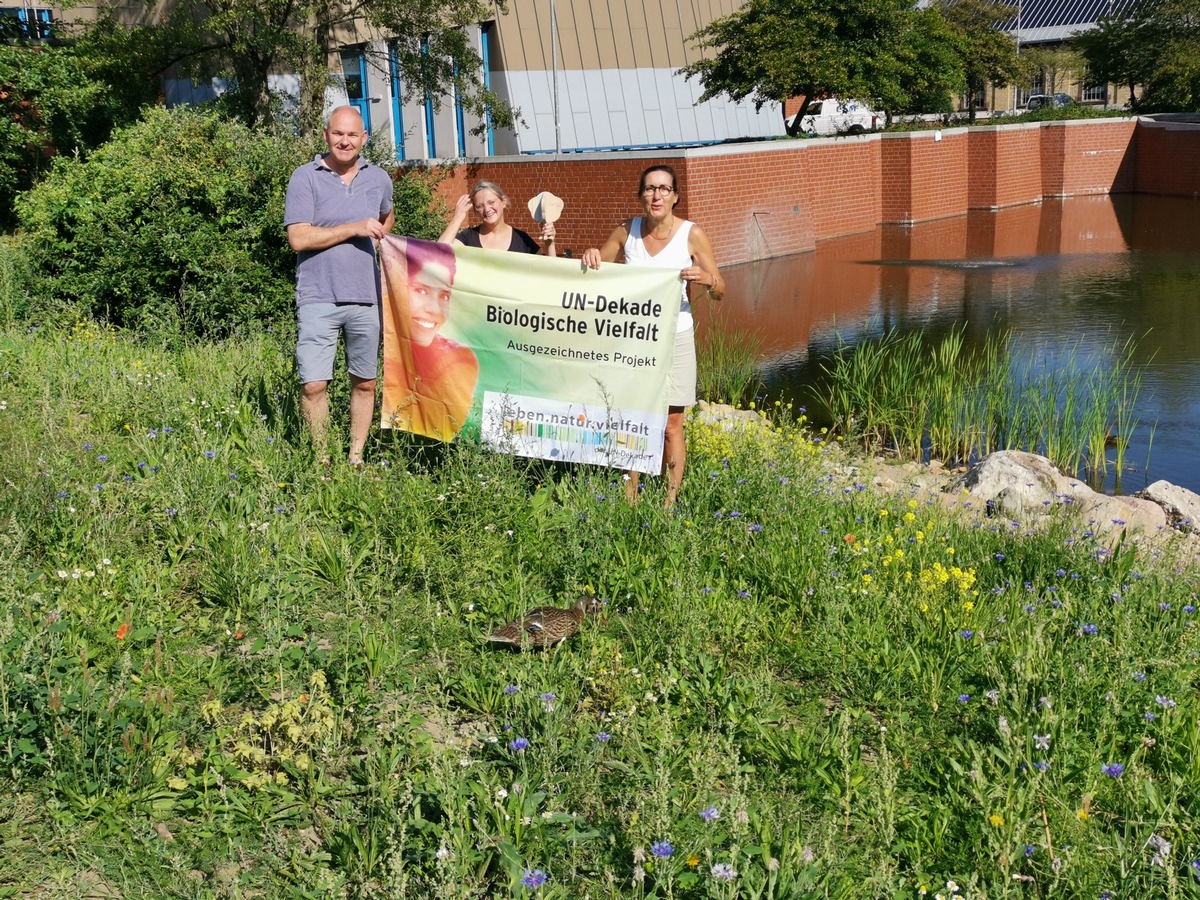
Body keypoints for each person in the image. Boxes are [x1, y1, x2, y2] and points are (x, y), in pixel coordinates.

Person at [582, 164, 724, 507]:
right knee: (633, 418)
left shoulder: (692, 234)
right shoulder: (626, 231)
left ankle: (668, 503)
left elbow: (720, 289)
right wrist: (591, 255)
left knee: (671, 425)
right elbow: (597, 266)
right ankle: (630, 497)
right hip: (634, 338)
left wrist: (705, 279)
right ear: (641, 195)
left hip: (676, 337)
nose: (656, 195)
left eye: (663, 189)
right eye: (649, 189)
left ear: (675, 196)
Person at [284, 105, 395, 467]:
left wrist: (379, 237)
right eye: (338, 133)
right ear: (325, 134)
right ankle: (321, 461)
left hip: (366, 297)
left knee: (365, 382)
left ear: (364, 139)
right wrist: (354, 228)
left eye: (352, 135)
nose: (345, 141)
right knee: (313, 384)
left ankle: (356, 458)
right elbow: (298, 238)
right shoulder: (305, 177)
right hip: (318, 296)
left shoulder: (379, 178)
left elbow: (386, 214)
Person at [380, 238, 480, 442]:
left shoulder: (459, 360)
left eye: (444, 296)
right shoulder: (381, 350)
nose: (434, 309)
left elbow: (443, 432)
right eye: (421, 291)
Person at [438, 180, 556, 255]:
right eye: (480, 206)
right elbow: (438, 253)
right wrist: (458, 217)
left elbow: (550, 276)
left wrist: (550, 244)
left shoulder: (522, 240)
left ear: (503, 201)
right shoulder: (468, 237)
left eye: (491, 202)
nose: (487, 209)